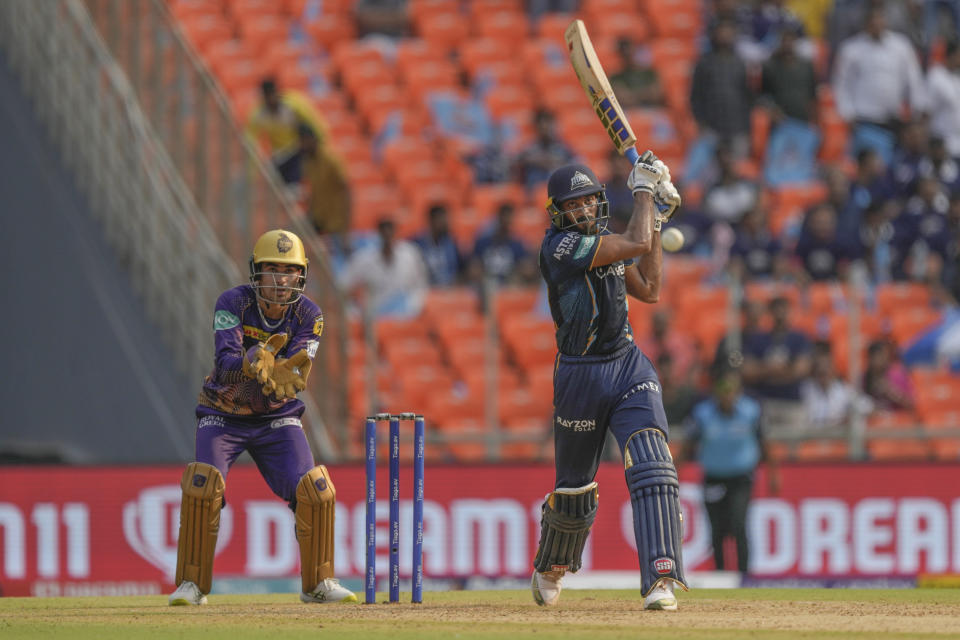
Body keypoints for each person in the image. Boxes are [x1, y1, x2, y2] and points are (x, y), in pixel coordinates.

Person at [530, 152, 687, 610]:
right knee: (575, 491)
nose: (582, 211)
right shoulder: (558, 247)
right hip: (580, 374)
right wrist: (645, 195)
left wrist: (654, 216)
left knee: (653, 465)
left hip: (628, 365)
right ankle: (553, 563)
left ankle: (661, 578)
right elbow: (635, 241)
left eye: (589, 201)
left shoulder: (605, 237)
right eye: (573, 205)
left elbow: (651, 288)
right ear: (558, 212)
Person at [169, 229, 357, 606]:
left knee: (314, 492)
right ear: (256, 272)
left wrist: (287, 371)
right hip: (224, 411)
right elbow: (224, 364)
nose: (279, 279)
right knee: (204, 488)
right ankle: (191, 585)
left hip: (275, 414)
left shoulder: (310, 314)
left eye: (288, 271)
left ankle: (318, 583)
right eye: (271, 269)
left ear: (300, 275)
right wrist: (254, 362)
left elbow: (299, 365)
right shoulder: (232, 302)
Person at [682, 367, 779, 574]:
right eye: (723, 388)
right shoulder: (703, 413)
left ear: (738, 391)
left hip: (741, 478)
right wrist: (674, 472)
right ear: (716, 390)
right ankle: (721, 576)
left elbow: (765, 444)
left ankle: (744, 575)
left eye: (732, 389)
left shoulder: (751, 411)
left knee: (738, 523)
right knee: (717, 529)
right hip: (713, 479)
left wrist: (773, 475)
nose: (727, 394)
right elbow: (687, 445)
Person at [246, 78, 328, 189]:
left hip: (296, 150)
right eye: (268, 97)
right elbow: (250, 141)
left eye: (273, 95)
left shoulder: (293, 105)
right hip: (278, 155)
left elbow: (313, 123)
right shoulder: (259, 115)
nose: (271, 100)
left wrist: (322, 143)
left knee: (294, 186)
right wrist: (252, 172)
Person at [341, 217, 429, 318]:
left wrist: (412, 306)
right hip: (375, 317)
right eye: (384, 233)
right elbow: (343, 286)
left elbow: (421, 285)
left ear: (396, 234)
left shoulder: (410, 254)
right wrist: (354, 311)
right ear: (379, 235)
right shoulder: (364, 258)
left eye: (390, 232)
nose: (387, 237)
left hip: (405, 317)